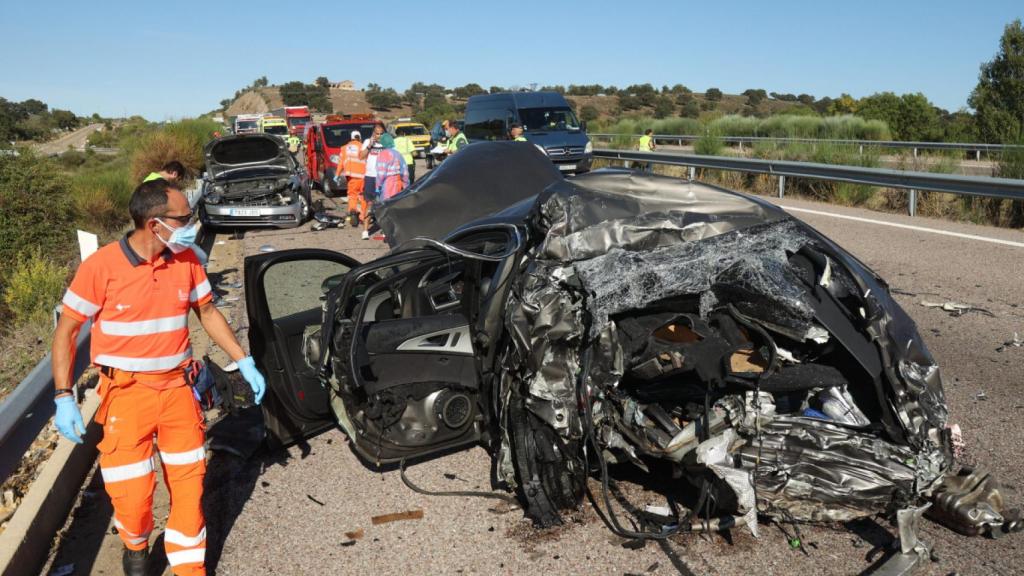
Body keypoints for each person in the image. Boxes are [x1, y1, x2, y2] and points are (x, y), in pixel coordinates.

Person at [51, 179, 266, 576]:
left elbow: (208, 313)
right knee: (131, 493)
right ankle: (135, 545)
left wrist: (243, 359)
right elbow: (66, 330)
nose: (191, 223)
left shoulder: (185, 259)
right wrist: (64, 396)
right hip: (125, 395)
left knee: (189, 485)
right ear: (154, 224)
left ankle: (189, 569)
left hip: (177, 392)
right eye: (184, 217)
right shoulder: (101, 266)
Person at [358, 123, 386, 239]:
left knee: (384, 204)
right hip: (370, 177)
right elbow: (361, 156)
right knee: (370, 204)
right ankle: (365, 230)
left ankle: (385, 229)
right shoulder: (367, 142)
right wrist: (370, 146)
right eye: (377, 133)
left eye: (381, 133)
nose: (379, 136)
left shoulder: (388, 143)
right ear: (373, 133)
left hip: (383, 177)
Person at [338, 131, 367, 227]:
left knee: (352, 195)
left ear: (351, 138)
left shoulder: (344, 148)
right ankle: (363, 216)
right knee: (363, 196)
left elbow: (341, 163)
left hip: (352, 177)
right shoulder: (364, 147)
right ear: (360, 137)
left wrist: (337, 174)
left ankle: (353, 211)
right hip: (364, 176)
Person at [374, 134, 409, 202]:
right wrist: (406, 184)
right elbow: (405, 172)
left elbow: (381, 174)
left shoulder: (382, 154)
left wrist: (377, 187)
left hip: (388, 185)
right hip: (399, 184)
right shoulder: (398, 154)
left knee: (387, 206)